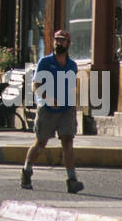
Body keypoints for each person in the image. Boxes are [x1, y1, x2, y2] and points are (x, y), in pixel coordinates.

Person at [21, 29, 84, 193]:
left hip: (66, 109)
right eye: (56, 40)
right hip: (47, 109)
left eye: (62, 40)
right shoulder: (45, 61)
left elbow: (71, 87)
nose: (59, 43)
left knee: (68, 142)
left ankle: (72, 179)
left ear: (68, 44)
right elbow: (36, 85)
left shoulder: (72, 65)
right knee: (41, 142)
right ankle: (26, 171)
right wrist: (49, 99)